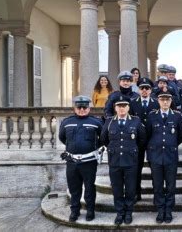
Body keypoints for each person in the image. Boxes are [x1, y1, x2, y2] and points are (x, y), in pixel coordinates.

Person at [100, 95, 146, 226]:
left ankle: (129, 212)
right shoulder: (109, 122)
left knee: (131, 189)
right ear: (115, 108)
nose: (121, 109)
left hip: (131, 161)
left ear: (128, 108)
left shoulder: (136, 121)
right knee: (117, 189)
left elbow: (142, 140)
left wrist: (132, 150)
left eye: (124, 106)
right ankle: (120, 213)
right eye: (119, 106)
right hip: (114, 161)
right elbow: (103, 139)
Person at [58, 95, 103, 222]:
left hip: (89, 162)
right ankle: (75, 211)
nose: (82, 109)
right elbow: (62, 138)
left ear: (89, 108)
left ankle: (90, 211)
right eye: (79, 107)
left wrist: (93, 148)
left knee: (89, 188)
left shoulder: (96, 122)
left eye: (84, 107)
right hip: (72, 162)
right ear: (75, 108)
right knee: (74, 188)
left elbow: (103, 138)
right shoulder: (67, 122)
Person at [146, 91, 182, 224]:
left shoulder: (177, 116)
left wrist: (171, 144)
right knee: (157, 185)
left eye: (167, 100)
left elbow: (181, 135)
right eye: (162, 100)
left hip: (170, 155)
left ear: (170, 101)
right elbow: (147, 135)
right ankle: (160, 209)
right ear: (158, 101)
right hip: (155, 156)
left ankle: (168, 210)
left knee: (170, 185)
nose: (165, 102)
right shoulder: (151, 116)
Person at [129, 77, 160, 202]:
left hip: (153, 140)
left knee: (155, 169)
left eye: (147, 88)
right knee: (137, 168)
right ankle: (137, 192)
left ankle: (156, 194)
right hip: (137, 141)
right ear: (138, 89)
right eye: (142, 88)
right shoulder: (132, 103)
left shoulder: (156, 103)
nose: (145, 90)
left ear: (151, 90)